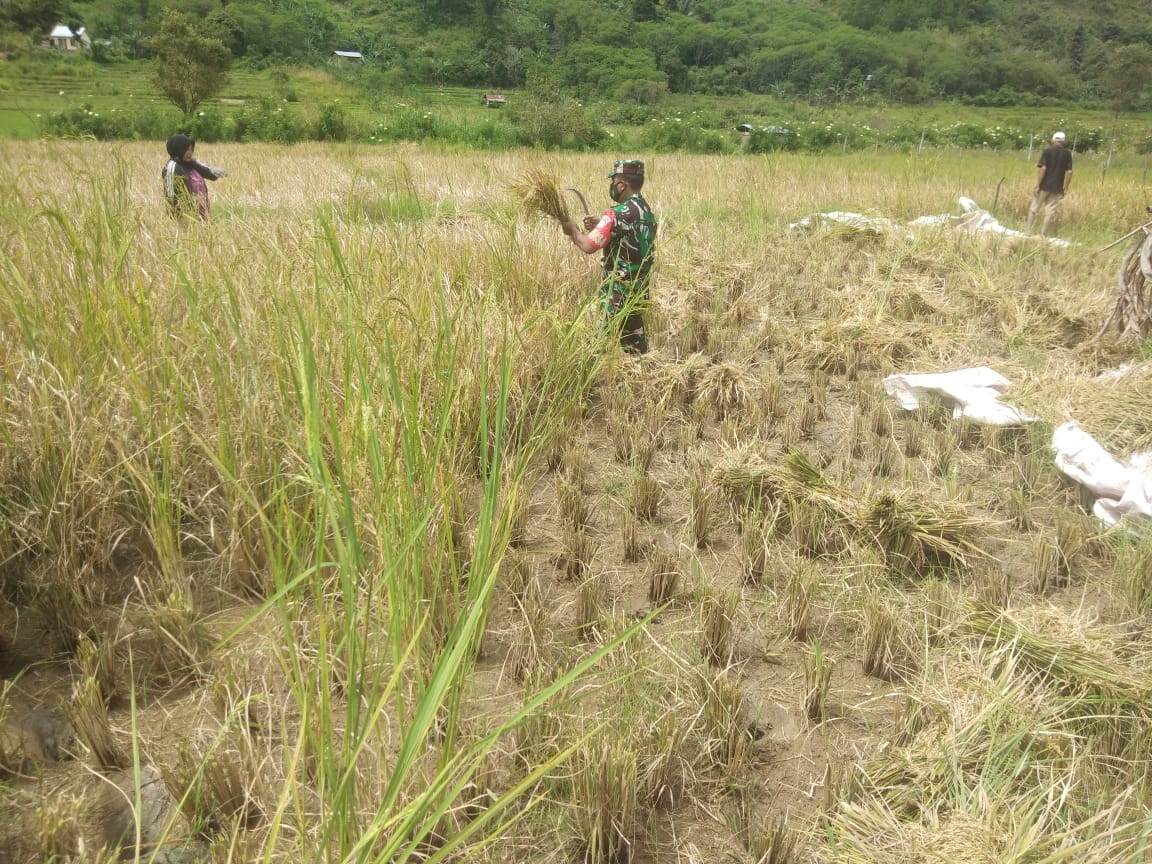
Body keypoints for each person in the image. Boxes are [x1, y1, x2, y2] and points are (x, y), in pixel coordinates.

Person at [561, 159, 658, 354]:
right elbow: (629, 231)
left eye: (613, 181)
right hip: (638, 291)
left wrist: (571, 229)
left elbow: (588, 245)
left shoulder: (615, 215)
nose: (612, 186)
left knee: (597, 348)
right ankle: (641, 378)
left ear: (622, 184)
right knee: (635, 347)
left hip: (616, 295)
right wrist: (601, 223)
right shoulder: (646, 211)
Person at [161, 133, 226, 221]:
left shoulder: (191, 163)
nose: (190, 153)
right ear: (178, 149)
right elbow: (170, 196)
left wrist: (218, 172)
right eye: (186, 149)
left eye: (191, 149)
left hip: (201, 215)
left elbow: (208, 173)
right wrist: (178, 219)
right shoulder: (171, 167)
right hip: (186, 217)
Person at [1026, 131, 1072, 236]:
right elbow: (1069, 172)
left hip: (1044, 186)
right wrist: (1065, 188)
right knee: (1049, 213)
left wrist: (1038, 185)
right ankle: (1042, 235)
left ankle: (1028, 232)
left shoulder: (1047, 151)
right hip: (1057, 188)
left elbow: (1043, 168)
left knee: (1033, 209)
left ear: (1054, 140)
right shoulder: (1067, 153)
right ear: (1063, 141)